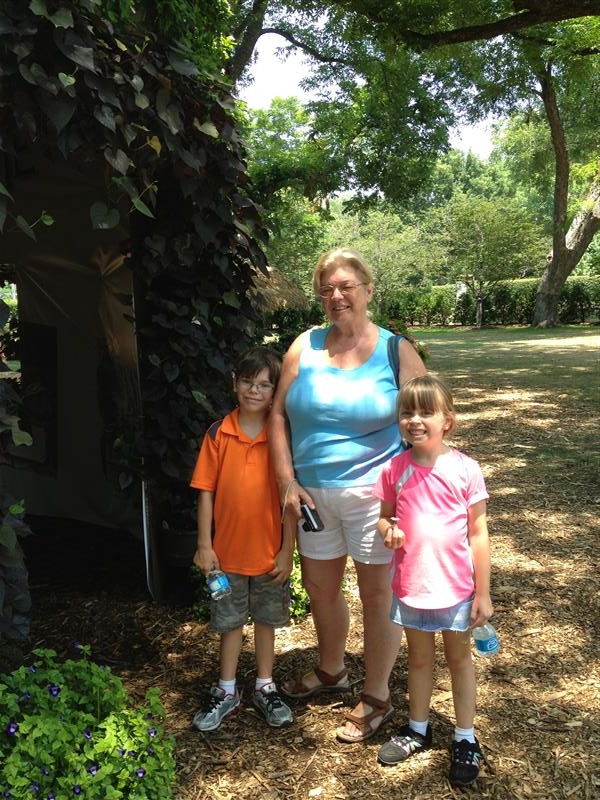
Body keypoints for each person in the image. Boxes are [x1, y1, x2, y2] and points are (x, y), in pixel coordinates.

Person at [269, 247, 427, 743]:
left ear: (368, 291)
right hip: (311, 495)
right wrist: (286, 480)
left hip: (375, 496)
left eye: (346, 287)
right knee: (320, 587)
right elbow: (277, 415)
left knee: (377, 594)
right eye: (327, 290)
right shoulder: (304, 345)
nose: (336, 296)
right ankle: (332, 669)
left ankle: (377, 694)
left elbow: (427, 416)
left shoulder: (394, 350)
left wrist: (418, 489)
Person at [374, 375, 492, 787]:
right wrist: (388, 530)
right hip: (412, 587)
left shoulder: (465, 469)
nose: (415, 420)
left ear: (448, 421)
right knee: (419, 660)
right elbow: (384, 517)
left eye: (426, 412)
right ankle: (417, 728)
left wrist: (483, 593)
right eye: (407, 412)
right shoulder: (395, 469)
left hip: (456, 590)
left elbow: (478, 533)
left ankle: (465, 737)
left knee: (459, 660)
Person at [190, 346, 296, 731]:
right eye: (248, 382)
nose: (255, 390)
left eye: (265, 385)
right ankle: (227, 689)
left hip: (269, 555)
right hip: (226, 556)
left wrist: (287, 550)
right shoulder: (218, 433)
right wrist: (205, 545)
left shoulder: (281, 437)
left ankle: (265, 686)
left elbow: (290, 497)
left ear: (275, 391)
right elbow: (206, 491)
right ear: (235, 384)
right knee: (230, 622)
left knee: (266, 621)